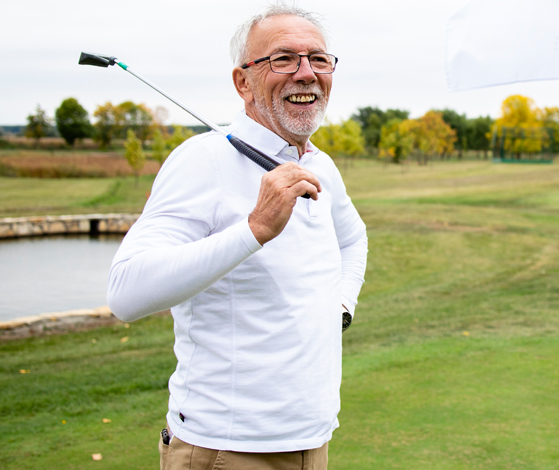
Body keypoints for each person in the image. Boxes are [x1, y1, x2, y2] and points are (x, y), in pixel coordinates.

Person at [107, 5, 367, 469]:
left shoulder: (320, 164)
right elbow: (127, 293)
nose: (305, 74)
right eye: (283, 59)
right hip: (225, 449)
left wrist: (341, 306)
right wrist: (255, 230)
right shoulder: (201, 160)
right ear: (243, 82)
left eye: (318, 59)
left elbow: (353, 240)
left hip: (315, 439)